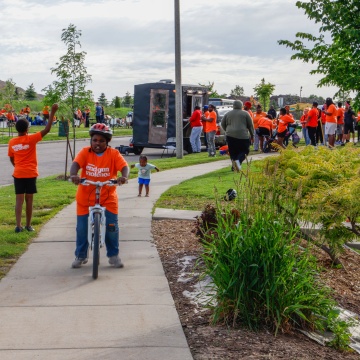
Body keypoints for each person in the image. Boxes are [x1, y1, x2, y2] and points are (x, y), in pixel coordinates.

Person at [69, 123, 129, 269]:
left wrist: (123, 177)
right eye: (95, 140)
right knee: (82, 228)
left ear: (107, 142)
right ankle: (81, 255)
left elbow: (124, 167)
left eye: (101, 141)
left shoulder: (113, 154)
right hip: (85, 197)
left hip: (108, 197)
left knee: (111, 227)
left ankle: (113, 256)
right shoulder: (85, 152)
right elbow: (76, 164)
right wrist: (74, 175)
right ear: (91, 140)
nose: (97, 143)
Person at [8, 104, 58, 233]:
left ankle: (18, 226)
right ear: (28, 129)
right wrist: (52, 112)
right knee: (29, 199)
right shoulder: (31, 139)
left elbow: (11, 158)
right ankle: (28, 225)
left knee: (19, 200)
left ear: (16, 128)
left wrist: (17, 166)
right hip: (30, 173)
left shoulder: (12, 142)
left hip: (18, 173)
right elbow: (46, 130)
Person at [221, 100, 254, 172]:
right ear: (241, 106)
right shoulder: (245, 114)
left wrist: (227, 131)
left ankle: (235, 166)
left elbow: (222, 124)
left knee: (233, 152)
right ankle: (237, 162)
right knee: (245, 150)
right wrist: (252, 135)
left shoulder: (227, 114)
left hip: (230, 136)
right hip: (242, 135)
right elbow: (250, 125)